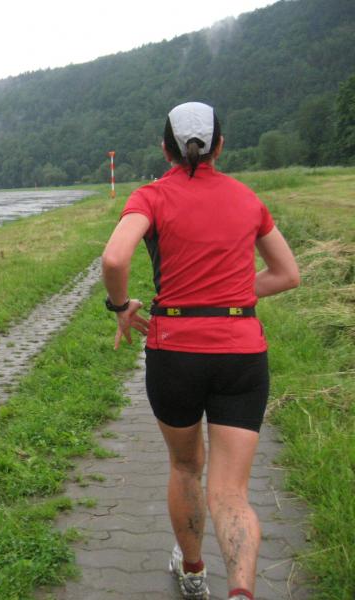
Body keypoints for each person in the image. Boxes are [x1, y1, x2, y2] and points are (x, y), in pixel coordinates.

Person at [101, 102, 300, 600]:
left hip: (175, 354)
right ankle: (242, 593)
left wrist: (121, 307)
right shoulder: (247, 199)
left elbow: (115, 257)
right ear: (221, 146)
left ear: (165, 148)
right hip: (242, 354)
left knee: (186, 466)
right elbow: (287, 274)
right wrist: (228, 295)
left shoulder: (150, 196)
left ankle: (193, 573)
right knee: (231, 493)